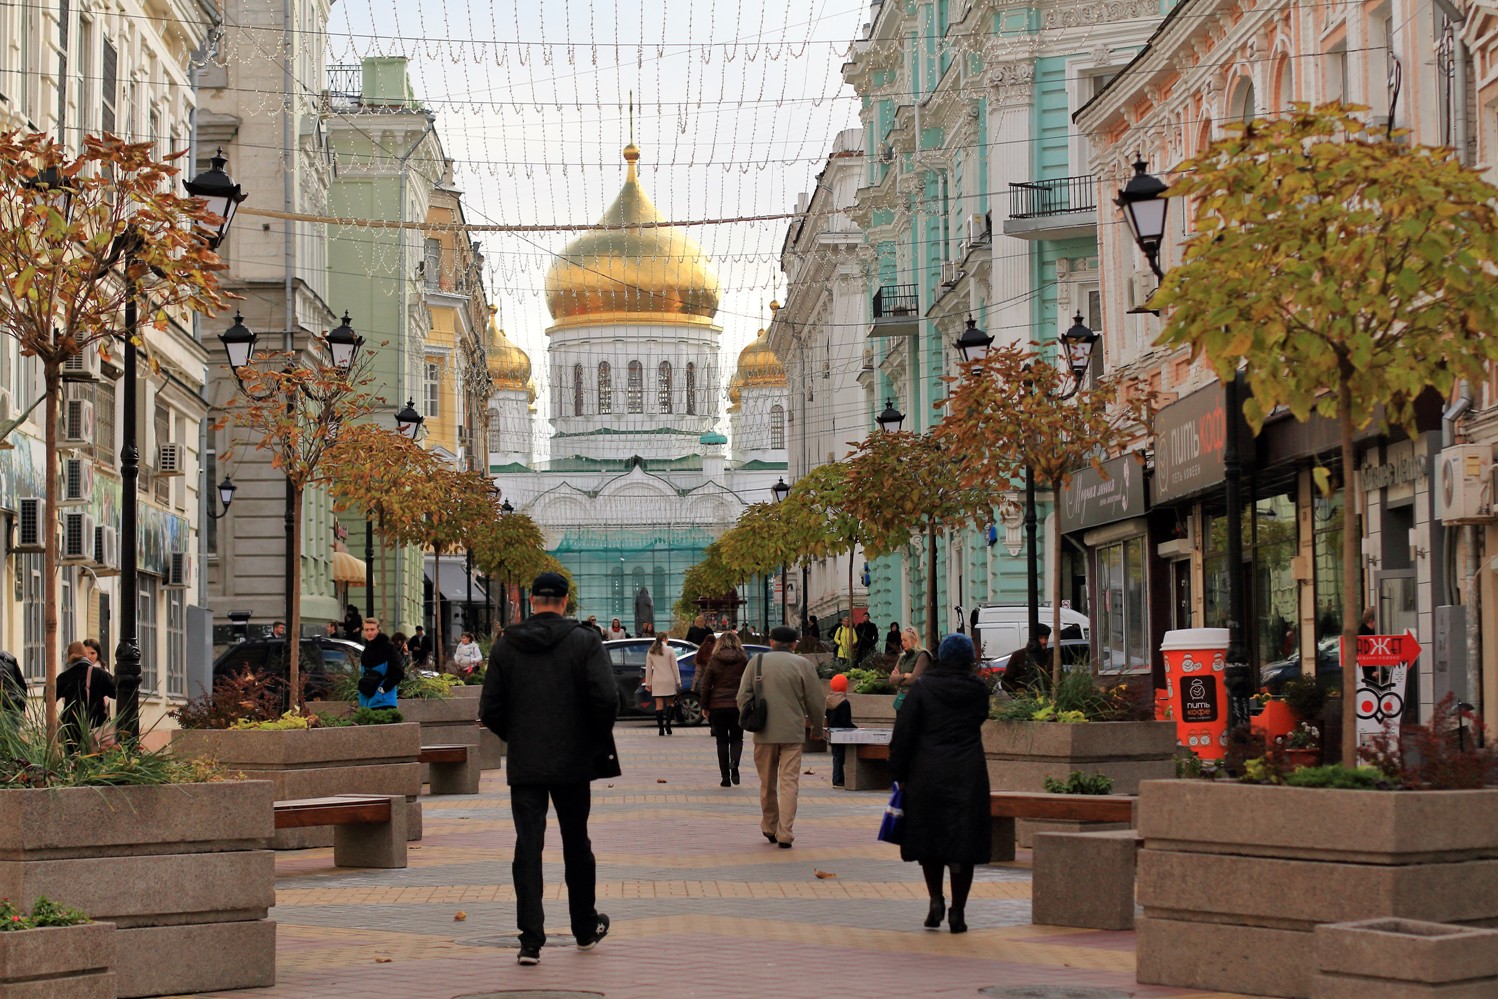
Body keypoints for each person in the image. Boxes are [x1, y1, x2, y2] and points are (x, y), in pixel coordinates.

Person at [478, 571, 616, 966]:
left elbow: (491, 710)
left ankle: (530, 941)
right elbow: (605, 699)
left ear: (533, 600)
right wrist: (589, 737)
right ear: (565, 599)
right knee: (577, 843)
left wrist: (519, 737)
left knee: (528, 846)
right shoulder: (585, 641)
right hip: (574, 762)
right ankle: (585, 929)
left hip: (527, 763)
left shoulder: (506, 646)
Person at [889, 632, 992, 934]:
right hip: (967, 772)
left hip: (927, 773)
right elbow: (980, 718)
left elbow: (904, 733)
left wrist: (898, 774)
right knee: (963, 842)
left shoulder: (922, 688)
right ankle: (958, 911)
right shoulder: (978, 690)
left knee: (929, 839)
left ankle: (936, 900)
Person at [736, 625, 824, 848]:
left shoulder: (756, 663)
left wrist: (751, 717)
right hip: (792, 733)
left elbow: (742, 696)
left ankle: (769, 826)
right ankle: (785, 833)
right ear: (795, 644)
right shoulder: (803, 665)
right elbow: (816, 701)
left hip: (764, 732)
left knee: (767, 783)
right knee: (789, 783)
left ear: (771, 642)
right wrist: (816, 728)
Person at [698, 630, 749, 786]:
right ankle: (734, 764)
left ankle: (725, 778)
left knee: (721, 741)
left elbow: (706, 685)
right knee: (737, 739)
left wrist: (704, 706)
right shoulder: (743, 660)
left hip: (718, 706)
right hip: (737, 705)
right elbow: (748, 683)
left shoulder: (714, 660)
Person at [57, 640, 115, 751]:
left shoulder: (64, 677)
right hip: (97, 730)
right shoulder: (100, 674)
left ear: (69, 657)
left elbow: (47, 697)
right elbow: (116, 692)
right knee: (97, 764)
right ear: (85, 655)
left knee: (74, 764)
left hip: (72, 731)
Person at [357, 618, 401, 710]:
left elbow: (398, 673)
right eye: (366, 630)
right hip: (367, 703)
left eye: (372, 629)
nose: (369, 633)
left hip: (384, 702)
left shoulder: (388, 648)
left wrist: (382, 689)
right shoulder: (366, 651)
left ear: (378, 630)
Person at [643, 632, 682, 736]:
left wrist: (648, 683)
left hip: (657, 680)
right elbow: (675, 667)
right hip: (669, 680)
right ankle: (668, 725)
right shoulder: (670, 650)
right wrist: (678, 681)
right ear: (664, 639)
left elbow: (648, 669)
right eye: (667, 638)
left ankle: (660, 729)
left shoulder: (651, 651)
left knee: (658, 705)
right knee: (670, 703)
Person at [999, 623, 1050, 694]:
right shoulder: (1018, 656)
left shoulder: (1050, 656)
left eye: (1046, 638)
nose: (1044, 642)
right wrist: (1018, 692)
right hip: (1026, 701)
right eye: (1040, 638)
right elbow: (1006, 681)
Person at [825, 673, 854, 787]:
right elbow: (845, 721)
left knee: (836, 756)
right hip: (842, 734)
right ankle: (838, 779)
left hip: (832, 733)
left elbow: (827, 716)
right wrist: (855, 729)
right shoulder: (844, 703)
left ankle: (837, 778)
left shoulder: (829, 700)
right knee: (841, 758)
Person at [889, 628, 932, 703]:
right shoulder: (902, 657)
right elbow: (891, 680)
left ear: (914, 640)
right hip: (901, 699)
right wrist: (904, 675)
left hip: (916, 700)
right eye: (902, 640)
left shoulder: (922, 655)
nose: (902, 643)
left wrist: (898, 680)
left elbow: (914, 679)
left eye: (905, 640)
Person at [0, 650, 26, 718]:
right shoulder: (9, 657)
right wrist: (23, 709)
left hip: (4, 708)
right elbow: (22, 685)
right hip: (15, 705)